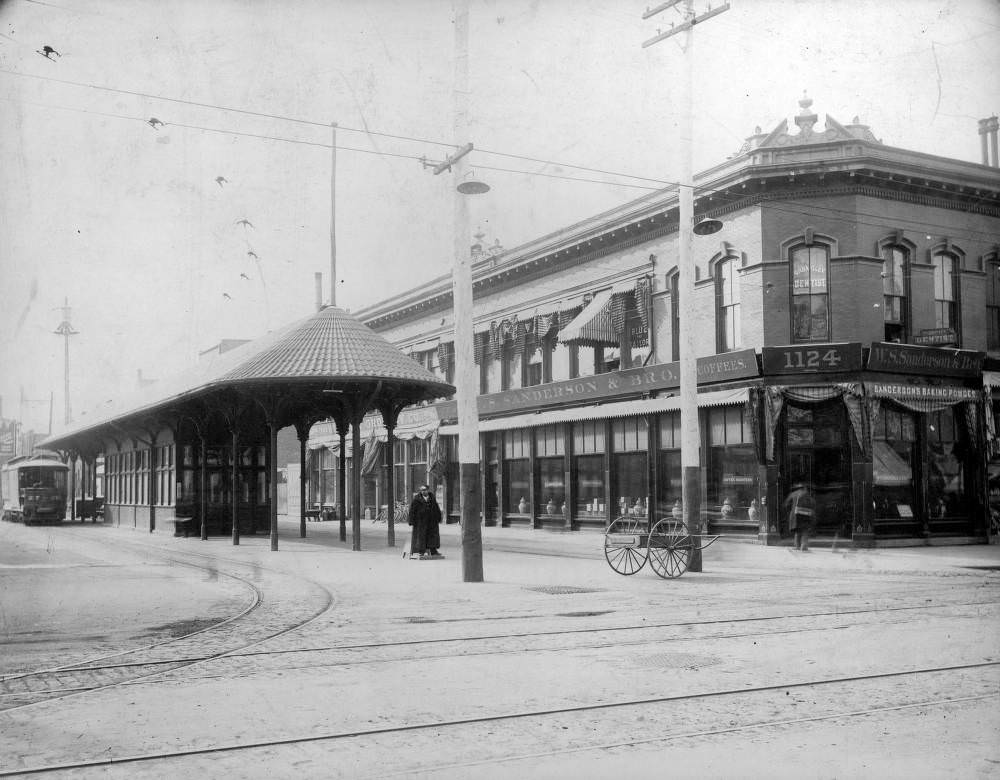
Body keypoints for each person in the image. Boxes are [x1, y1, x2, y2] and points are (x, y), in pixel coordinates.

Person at [408, 484, 443, 560]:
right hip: (421, 522)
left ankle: (433, 550)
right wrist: (411, 520)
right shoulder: (416, 500)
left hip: (432, 521)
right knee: (421, 536)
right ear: (421, 491)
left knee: (432, 536)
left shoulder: (432, 498)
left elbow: (436, 508)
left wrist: (438, 518)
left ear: (428, 490)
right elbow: (412, 511)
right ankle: (421, 551)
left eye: (425, 490)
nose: (424, 491)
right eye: (422, 490)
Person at [783, 482, 815, 551]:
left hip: (795, 515)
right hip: (805, 514)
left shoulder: (792, 494)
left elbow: (786, 504)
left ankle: (797, 546)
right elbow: (812, 503)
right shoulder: (806, 494)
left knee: (797, 530)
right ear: (804, 488)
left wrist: (791, 511)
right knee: (805, 530)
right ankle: (804, 546)